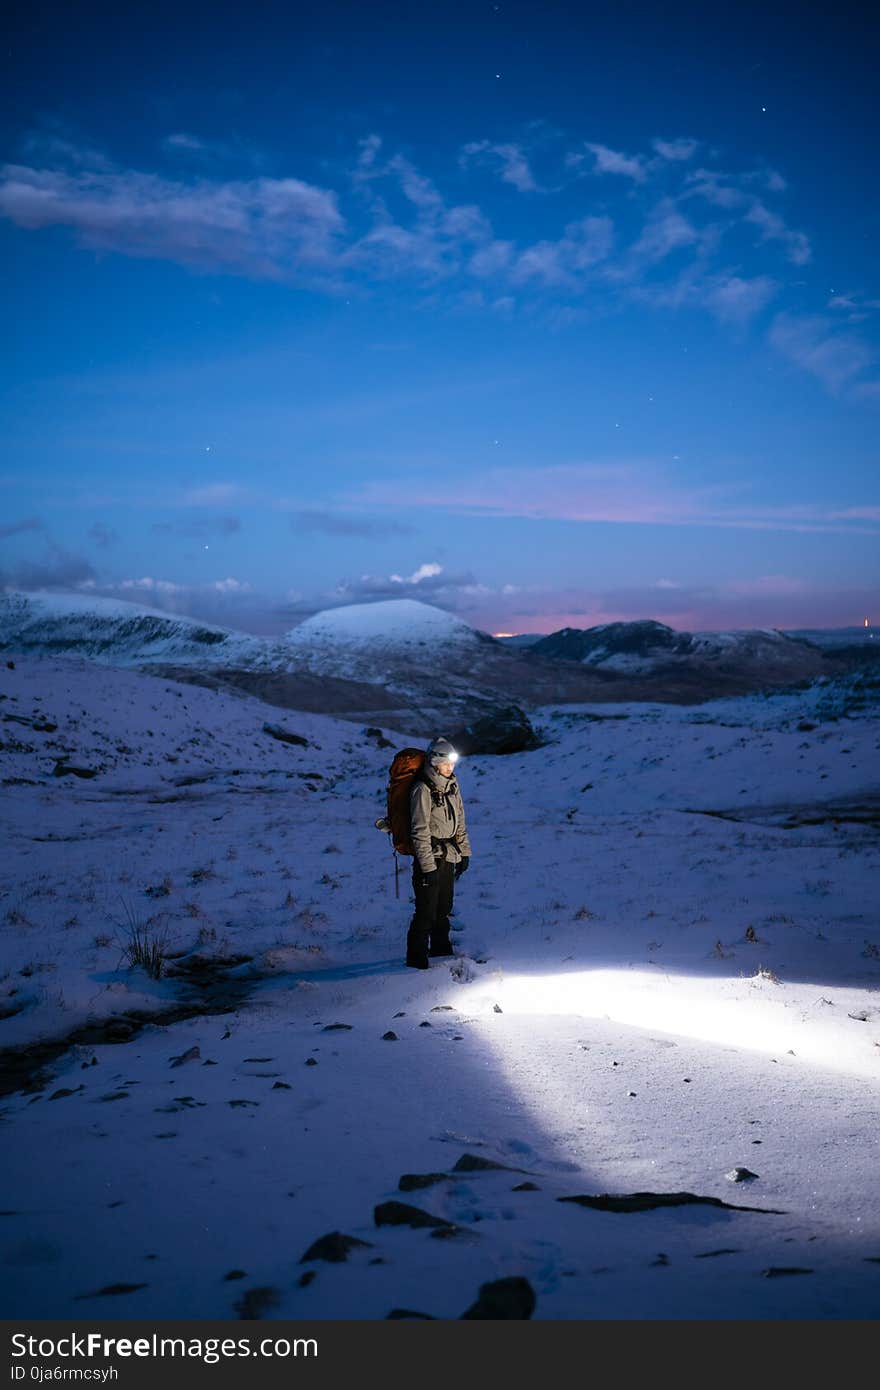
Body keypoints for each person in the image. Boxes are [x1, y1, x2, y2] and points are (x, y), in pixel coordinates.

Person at [406, 736, 472, 969]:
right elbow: (419, 831)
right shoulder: (422, 789)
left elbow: (460, 821)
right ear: (434, 762)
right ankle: (416, 962)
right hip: (430, 857)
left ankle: (441, 951)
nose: (450, 768)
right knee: (426, 911)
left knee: (444, 907)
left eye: (452, 763)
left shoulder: (452, 785)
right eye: (446, 763)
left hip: (449, 855)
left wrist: (464, 852)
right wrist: (427, 868)